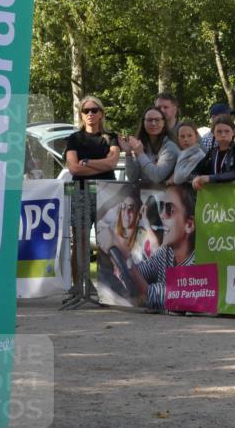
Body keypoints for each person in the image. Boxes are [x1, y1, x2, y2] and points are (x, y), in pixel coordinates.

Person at [111, 184, 196, 311]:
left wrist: (127, 260)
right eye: (161, 207)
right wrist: (121, 263)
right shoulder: (166, 252)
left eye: (170, 209)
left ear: (189, 225)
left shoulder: (196, 265)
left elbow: (151, 295)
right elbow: (141, 272)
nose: (161, 215)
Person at [64, 96, 120, 284]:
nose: (90, 114)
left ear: (101, 113)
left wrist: (87, 163)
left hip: (106, 193)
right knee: (80, 242)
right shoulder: (74, 138)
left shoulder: (111, 137)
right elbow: (74, 168)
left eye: (94, 110)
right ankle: (80, 286)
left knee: (107, 242)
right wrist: (101, 165)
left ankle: (107, 287)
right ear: (81, 114)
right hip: (80, 193)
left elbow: (112, 163)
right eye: (86, 110)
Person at [122, 106, 180, 186]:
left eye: (157, 120)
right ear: (143, 123)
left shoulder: (170, 146)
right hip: (146, 192)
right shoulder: (142, 144)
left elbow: (157, 177)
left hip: (169, 192)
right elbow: (132, 178)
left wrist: (140, 154)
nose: (153, 123)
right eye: (149, 120)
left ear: (163, 122)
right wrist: (128, 154)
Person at [192, 114, 235, 189]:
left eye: (227, 131)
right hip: (216, 194)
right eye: (219, 131)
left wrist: (210, 178)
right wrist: (196, 178)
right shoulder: (212, 153)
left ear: (233, 132)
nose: (223, 135)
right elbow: (195, 172)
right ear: (213, 133)